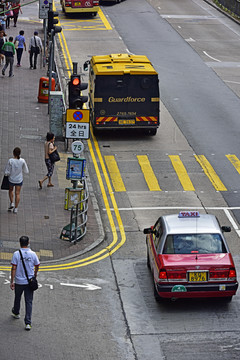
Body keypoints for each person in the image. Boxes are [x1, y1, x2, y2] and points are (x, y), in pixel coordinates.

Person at [10, 236, 40, 331]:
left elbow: (13, 268)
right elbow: (37, 265)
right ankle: (28, 322)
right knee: (29, 301)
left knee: (17, 297)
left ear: (20, 243)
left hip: (19, 281)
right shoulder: (33, 254)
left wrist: (12, 281)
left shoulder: (16, 254)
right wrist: (34, 275)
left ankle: (16, 312)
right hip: (29, 282)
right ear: (28, 242)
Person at [4, 147, 29, 213]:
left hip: (11, 179)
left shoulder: (10, 161)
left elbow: (7, 171)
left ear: (13, 153)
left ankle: (12, 202)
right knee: (17, 193)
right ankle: (16, 208)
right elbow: (26, 170)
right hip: (19, 179)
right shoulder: (22, 161)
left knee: (11, 190)